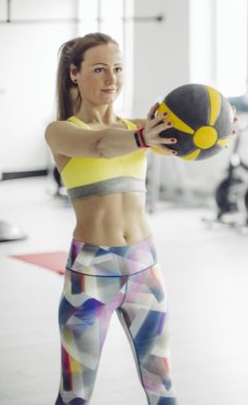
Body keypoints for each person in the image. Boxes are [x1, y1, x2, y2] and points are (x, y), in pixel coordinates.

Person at [45, 33, 179, 404]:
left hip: (144, 268)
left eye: (117, 69)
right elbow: (100, 146)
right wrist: (142, 138)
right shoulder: (62, 131)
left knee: (162, 385)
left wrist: (217, 127)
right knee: (76, 393)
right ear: (74, 73)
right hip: (91, 274)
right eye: (100, 69)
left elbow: (185, 144)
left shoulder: (137, 127)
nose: (111, 79)